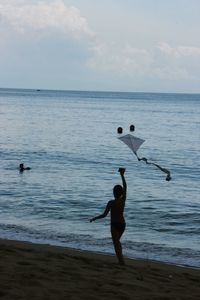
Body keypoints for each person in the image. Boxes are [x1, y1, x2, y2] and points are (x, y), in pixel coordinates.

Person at [90, 168, 127, 265]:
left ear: (113, 193)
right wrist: (122, 175)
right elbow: (125, 187)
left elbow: (104, 215)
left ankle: (121, 261)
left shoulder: (111, 202)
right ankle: (121, 259)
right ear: (122, 193)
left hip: (114, 225)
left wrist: (95, 218)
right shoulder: (122, 201)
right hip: (122, 224)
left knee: (116, 243)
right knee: (117, 242)